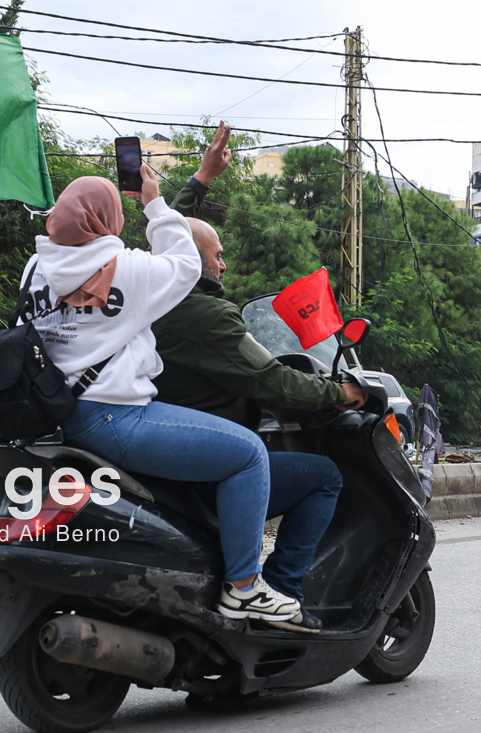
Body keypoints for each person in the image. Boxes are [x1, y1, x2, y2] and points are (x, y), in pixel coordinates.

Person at [18, 160, 300, 625]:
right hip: (112, 418)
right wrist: (154, 202)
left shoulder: (36, 267)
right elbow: (187, 262)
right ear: (106, 220)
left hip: (51, 416)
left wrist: (196, 186)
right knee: (249, 453)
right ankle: (244, 588)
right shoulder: (125, 268)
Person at [151, 123, 366, 634]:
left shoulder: (147, 289)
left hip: (157, 444)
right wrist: (339, 393)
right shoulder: (204, 315)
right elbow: (270, 380)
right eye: (218, 255)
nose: (224, 264)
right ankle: (279, 592)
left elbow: (172, 232)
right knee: (323, 478)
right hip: (200, 459)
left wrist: (201, 179)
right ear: (196, 263)